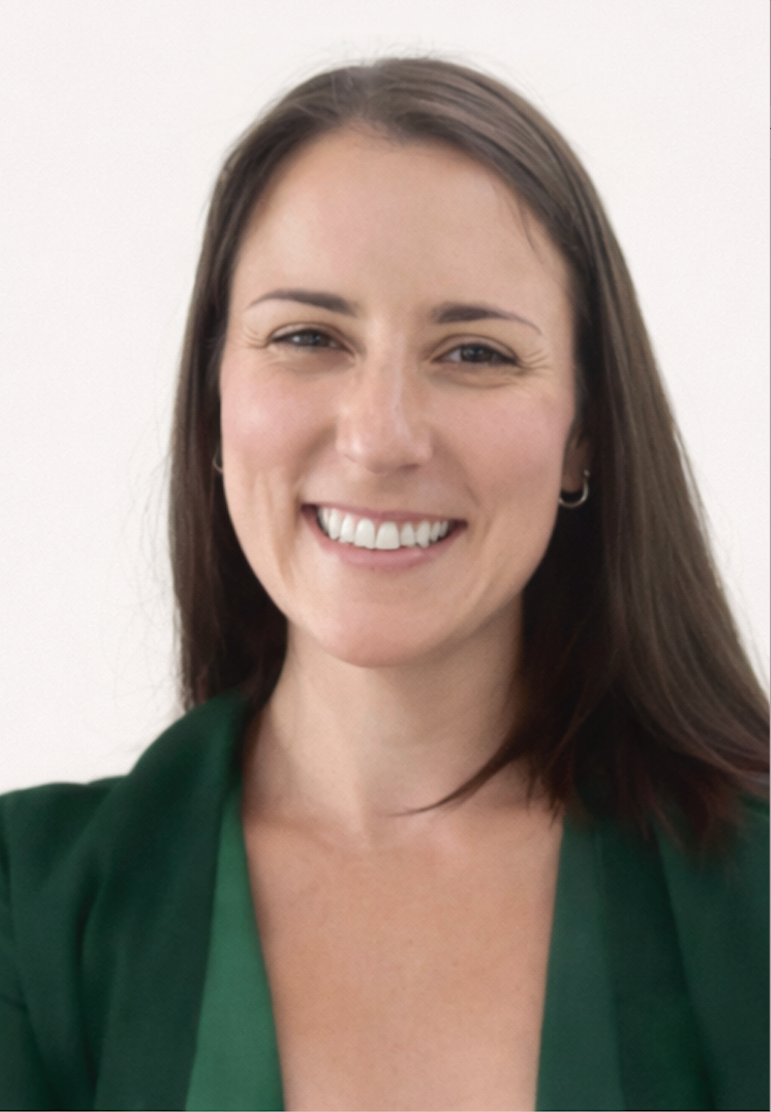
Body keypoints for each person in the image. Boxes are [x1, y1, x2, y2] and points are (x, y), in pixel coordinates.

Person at [1, 58, 767, 1112]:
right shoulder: (21, 913)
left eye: (475, 352)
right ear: (214, 403)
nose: (381, 435)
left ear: (585, 434)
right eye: (309, 337)